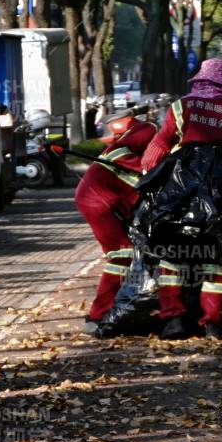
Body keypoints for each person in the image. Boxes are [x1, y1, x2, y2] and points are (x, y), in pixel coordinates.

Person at [140, 58, 222, 340]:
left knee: (171, 254)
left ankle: (174, 321)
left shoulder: (182, 107)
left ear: (201, 81)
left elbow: (160, 144)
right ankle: (214, 323)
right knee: (217, 256)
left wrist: (146, 174)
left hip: (181, 190)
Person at [74, 112, 157, 338]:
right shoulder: (151, 131)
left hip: (101, 198)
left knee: (126, 252)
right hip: (98, 200)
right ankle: (98, 315)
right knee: (122, 253)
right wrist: (148, 171)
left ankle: (105, 310)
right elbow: (131, 162)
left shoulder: (143, 133)